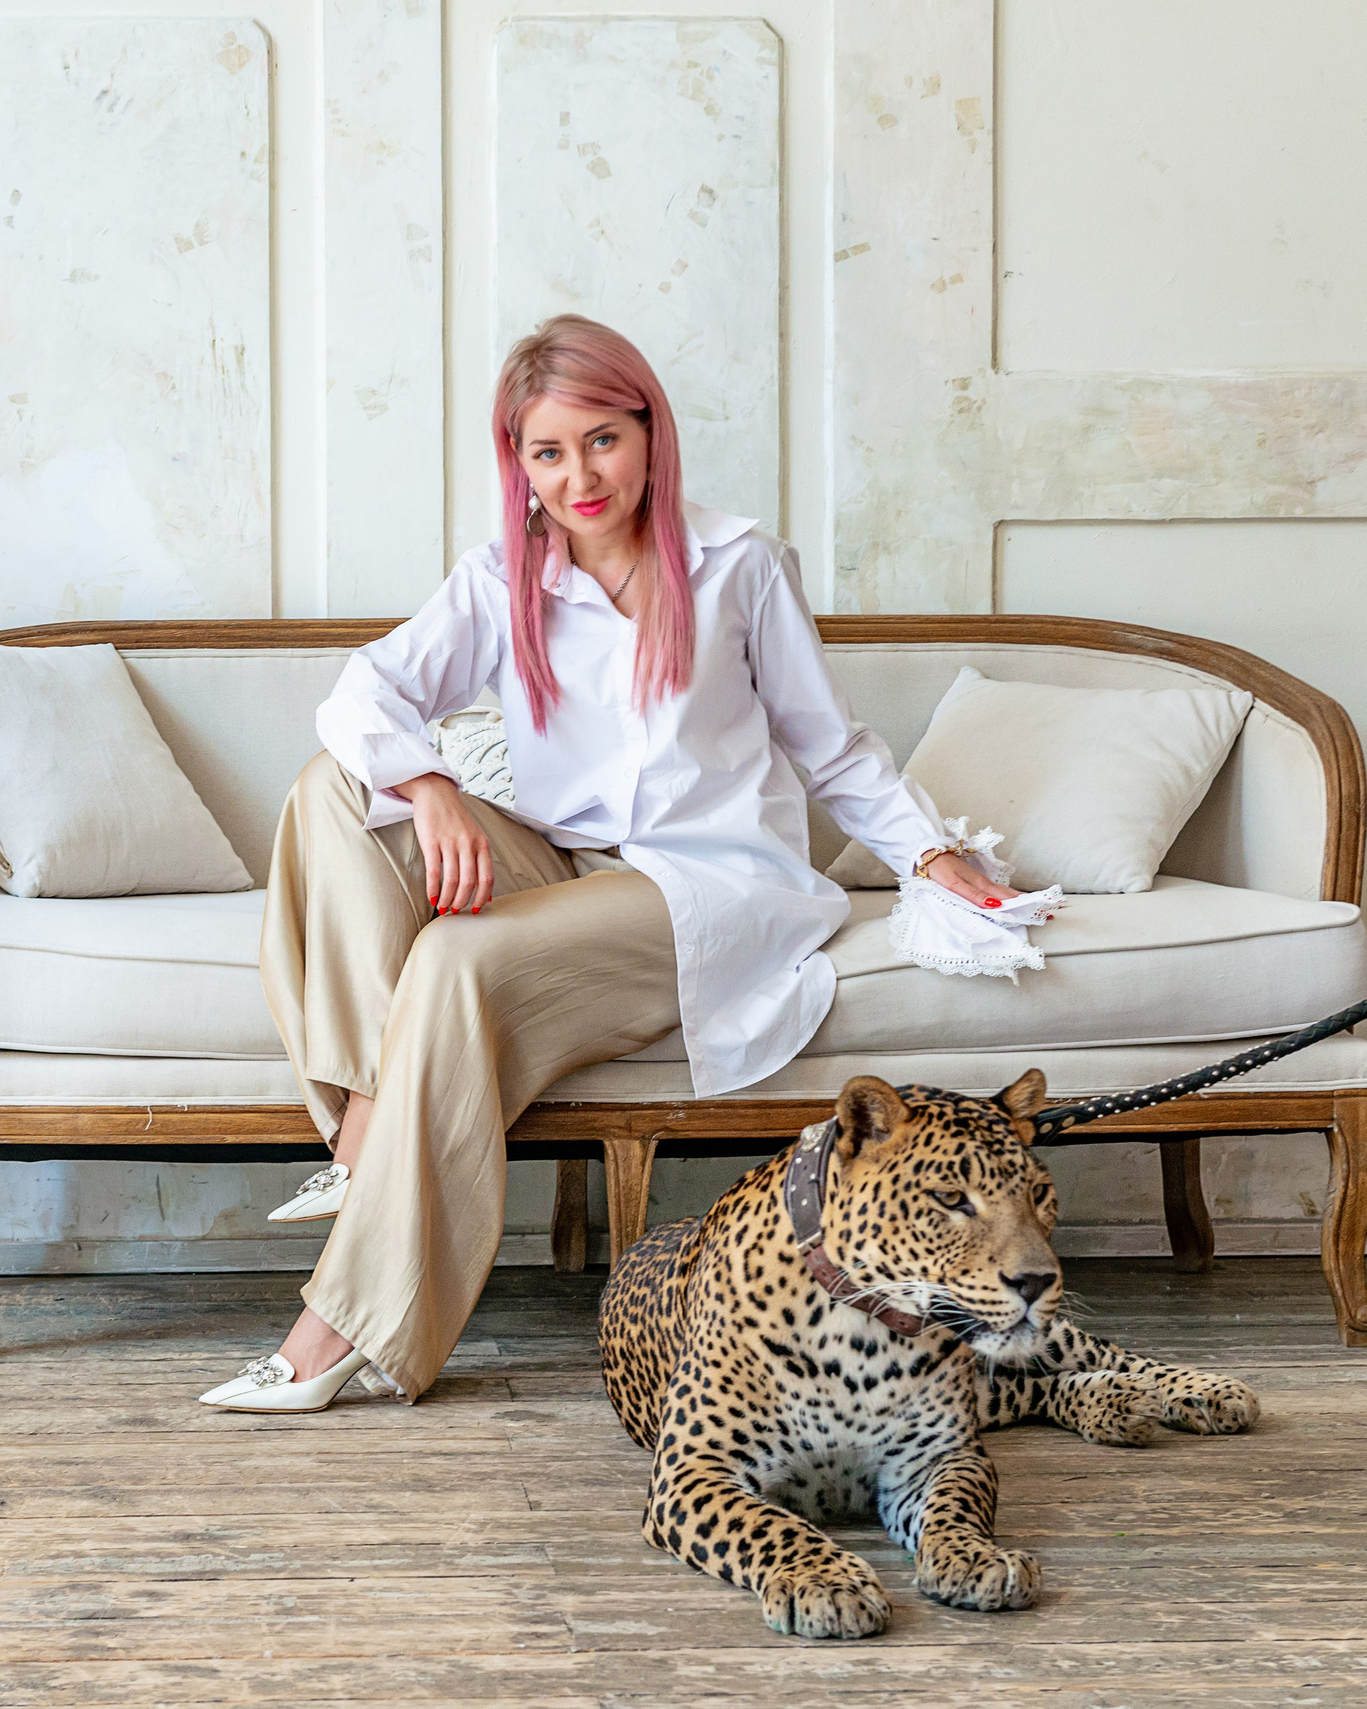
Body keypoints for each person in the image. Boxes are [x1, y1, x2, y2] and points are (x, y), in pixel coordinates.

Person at [200, 314, 1017, 1414]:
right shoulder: (503, 578)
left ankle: (340, 1325)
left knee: (454, 957)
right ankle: (363, 1123)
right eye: (548, 451)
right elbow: (363, 695)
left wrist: (930, 851)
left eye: (601, 440)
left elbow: (829, 746)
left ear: (648, 432)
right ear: (519, 463)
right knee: (331, 786)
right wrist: (432, 787)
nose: (579, 477)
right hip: (564, 862)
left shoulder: (740, 567)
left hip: (708, 885)